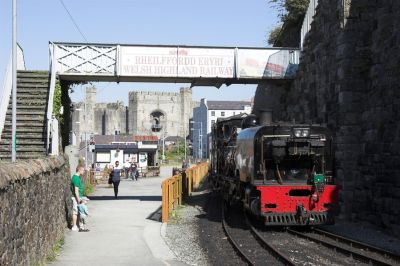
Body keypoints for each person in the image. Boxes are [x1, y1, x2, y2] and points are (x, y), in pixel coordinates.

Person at [70, 166, 85, 231]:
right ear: (79, 170)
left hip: (79, 197)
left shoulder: (77, 177)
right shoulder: (76, 178)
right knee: (75, 212)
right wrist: (78, 199)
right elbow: (76, 191)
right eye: (83, 170)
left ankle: (78, 225)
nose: (84, 172)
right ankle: (74, 226)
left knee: (79, 211)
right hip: (76, 198)